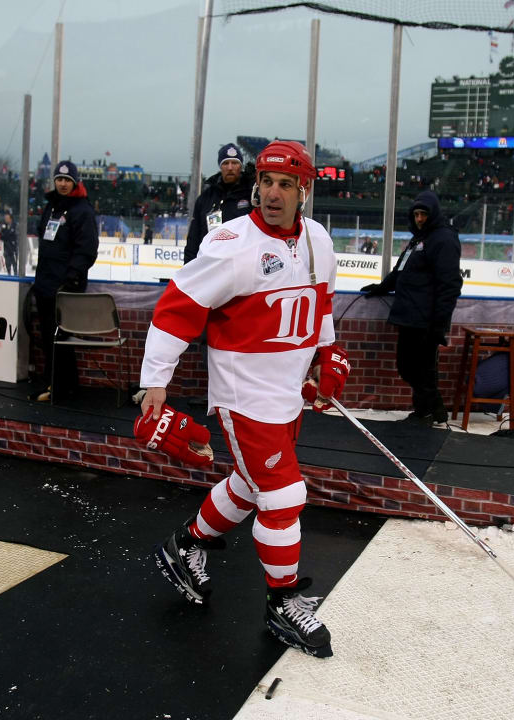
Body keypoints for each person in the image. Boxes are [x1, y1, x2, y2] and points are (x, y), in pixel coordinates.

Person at [138, 140, 343, 658]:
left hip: (286, 392)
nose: (273, 194)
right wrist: (156, 380)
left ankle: (188, 544)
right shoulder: (233, 243)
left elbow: (320, 306)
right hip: (243, 394)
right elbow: (175, 309)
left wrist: (326, 355)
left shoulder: (317, 239)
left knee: (249, 485)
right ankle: (282, 604)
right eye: (266, 182)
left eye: (286, 185)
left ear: (304, 190)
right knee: (282, 495)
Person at [361, 190, 463, 424]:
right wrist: (381, 287)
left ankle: (426, 411)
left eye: (423, 214)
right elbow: (400, 270)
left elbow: (450, 285)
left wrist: (439, 324)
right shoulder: (419, 238)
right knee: (409, 367)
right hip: (410, 316)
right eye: (416, 214)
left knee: (418, 369)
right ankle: (434, 410)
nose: (419, 219)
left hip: (426, 320)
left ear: (433, 214)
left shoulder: (443, 239)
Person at [32, 160, 98, 402]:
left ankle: (62, 387)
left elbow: (87, 249)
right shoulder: (52, 207)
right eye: (59, 179)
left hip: (65, 288)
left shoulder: (82, 210)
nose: (62, 184)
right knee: (50, 338)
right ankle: (57, 384)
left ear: (75, 182)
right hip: (45, 284)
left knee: (61, 339)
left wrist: (72, 277)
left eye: (67, 180)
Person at [183, 143, 255, 264]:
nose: (230, 167)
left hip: (242, 264)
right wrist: (188, 268)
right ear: (220, 166)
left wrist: (254, 180)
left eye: (235, 163)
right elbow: (193, 239)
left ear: (241, 166)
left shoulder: (251, 195)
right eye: (226, 163)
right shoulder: (206, 198)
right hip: (211, 264)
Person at [1, 211, 18, 275]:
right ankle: (9, 273)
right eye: (5, 218)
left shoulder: (15, 225)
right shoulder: (4, 225)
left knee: (14, 261)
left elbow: (15, 235)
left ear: (10, 218)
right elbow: (2, 235)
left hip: (13, 246)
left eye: (7, 218)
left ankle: (15, 273)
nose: (6, 219)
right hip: (6, 246)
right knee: (7, 261)